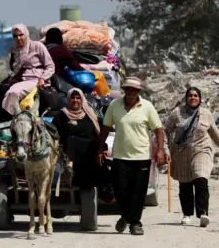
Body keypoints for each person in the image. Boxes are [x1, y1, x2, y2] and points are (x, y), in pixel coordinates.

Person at [98, 76, 165, 236]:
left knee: (138, 192)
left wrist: (160, 150)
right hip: (120, 155)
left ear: (138, 91)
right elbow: (106, 128)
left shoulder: (147, 107)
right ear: (124, 90)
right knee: (121, 190)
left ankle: (135, 223)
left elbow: (158, 130)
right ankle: (127, 216)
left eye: (134, 90)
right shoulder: (115, 105)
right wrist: (99, 148)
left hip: (141, 156)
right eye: (128, 89)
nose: (130, 92)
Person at [164, 87, 219, 227]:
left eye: (195, 95)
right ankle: (187, 214)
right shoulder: (177, 113)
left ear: (200, 98)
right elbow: (165, 131)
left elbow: (214, 133)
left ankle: (203, 213)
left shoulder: (206, 114)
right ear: (186, 98)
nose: (193, 98)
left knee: (201, 178)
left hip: (202, 150)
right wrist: (165, 149)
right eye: (190, 95)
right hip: (182, 152)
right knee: (185, 184)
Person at [2, 24, 55, 116]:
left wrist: (43, 78)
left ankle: (14, 118)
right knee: (1, 89)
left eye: (21, 35)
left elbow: (50, 66)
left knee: (13, 92)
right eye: (15, 36)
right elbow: (13, 68)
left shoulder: (37, 46)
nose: (18, 38)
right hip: (21, 79)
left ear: (26, 34)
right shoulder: (15, 51)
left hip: (36, 79)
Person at [52, 88, 101, 187]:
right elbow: (53, 133)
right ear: (68, 99)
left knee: (73, 139)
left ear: (82, 99)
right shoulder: (61, 115)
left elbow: (99, 134)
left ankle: (70, 168)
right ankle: (68, 169)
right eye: (72, 98)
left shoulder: (90, 115)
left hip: (89, 151)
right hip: (66, 152)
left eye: (78, 98)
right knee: (71, 139)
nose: (75, 100)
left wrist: (103, 148)